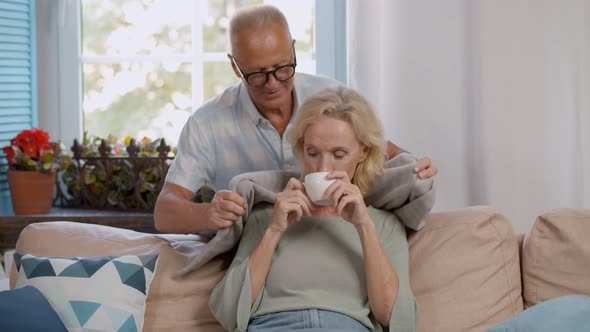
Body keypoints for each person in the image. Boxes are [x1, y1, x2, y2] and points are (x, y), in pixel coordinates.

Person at [154, 4, 437, 235]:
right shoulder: (207, 124)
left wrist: (415, 166)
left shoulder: (331, 96)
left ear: (293, 49)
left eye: (283, 68)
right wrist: (208, 213)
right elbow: (164, 213)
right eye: (257, 73)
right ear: (234, 66)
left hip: (336, 236)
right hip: (255, 249)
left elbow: (380, 150)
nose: (273, 83)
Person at [208, 86, 434, 332]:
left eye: (339, 154)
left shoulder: (384, 224)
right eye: (313, 152)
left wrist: (364, 225)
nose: (322, 168)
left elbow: (395, 318)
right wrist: (274, 230)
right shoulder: (267, 216)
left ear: (363, 151)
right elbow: (228, 310)